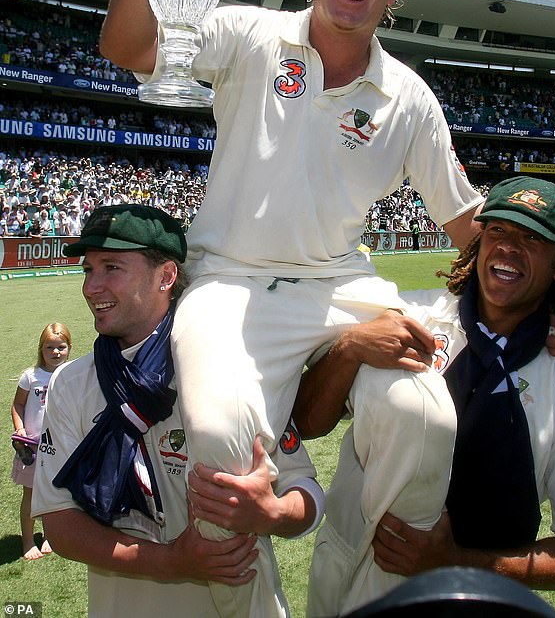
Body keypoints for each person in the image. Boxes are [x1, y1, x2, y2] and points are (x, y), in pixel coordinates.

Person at [100, 0, 484, 614]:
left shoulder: (408, 96)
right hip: (229, 280)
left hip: (343, 286)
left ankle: (363, 602)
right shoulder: (251, 33)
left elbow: (467, 223)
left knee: (425, 418)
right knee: (215, 444)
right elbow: (127, 46)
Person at [296, 178, 555, 616]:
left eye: (531, 238)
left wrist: (458, 563)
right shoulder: (409, 317)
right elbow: (308, 422)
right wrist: (349, 349)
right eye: (498, 231)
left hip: (468, 590)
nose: (507, 247)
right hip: (345, 567)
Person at [31, 204, 324, 618]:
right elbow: (60, 525)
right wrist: (170, 561)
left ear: (166, 276)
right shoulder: (71, 383)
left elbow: (307, 492)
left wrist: (274, 513)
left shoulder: (232, 368)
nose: (91, 287)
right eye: (88, 270)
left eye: (111, 267)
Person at [11, 321, 72, 560]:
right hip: (33, 446)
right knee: (31, 493)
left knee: (55, 492)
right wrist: (20, 430)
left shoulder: (70, 374)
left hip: (60, 444)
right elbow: (18, 404)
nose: (56, 352)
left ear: (69, 348)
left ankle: (49, 536)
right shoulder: (31, 376)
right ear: (41, 349)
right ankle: (28, 541)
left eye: (61, 347)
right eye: (50, 347)